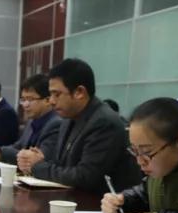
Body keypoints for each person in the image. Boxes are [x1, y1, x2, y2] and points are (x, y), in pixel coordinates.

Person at [17, 59, 141, 192]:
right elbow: (64, 166)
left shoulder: (103, 122)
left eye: (57, 94)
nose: (51, 101)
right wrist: (42, 160)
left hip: (97, 201)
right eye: (50, 94)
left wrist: (37, 166)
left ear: (79, 92)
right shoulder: (68, 118)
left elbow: (84, 176)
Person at [101, 98, 178, 213]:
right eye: (135, 151)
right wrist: (122, 202)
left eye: (147, 152)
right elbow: (144, 194)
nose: (140, 161)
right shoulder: (162, 169)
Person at [0, 74, 61, 165]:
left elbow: (41, 158)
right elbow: (19, 146)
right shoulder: (32, 121)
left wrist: (1, 153)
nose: (25, 105)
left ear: (47, 101)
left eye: (30, 99)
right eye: (23, 100)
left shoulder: (56, 123)